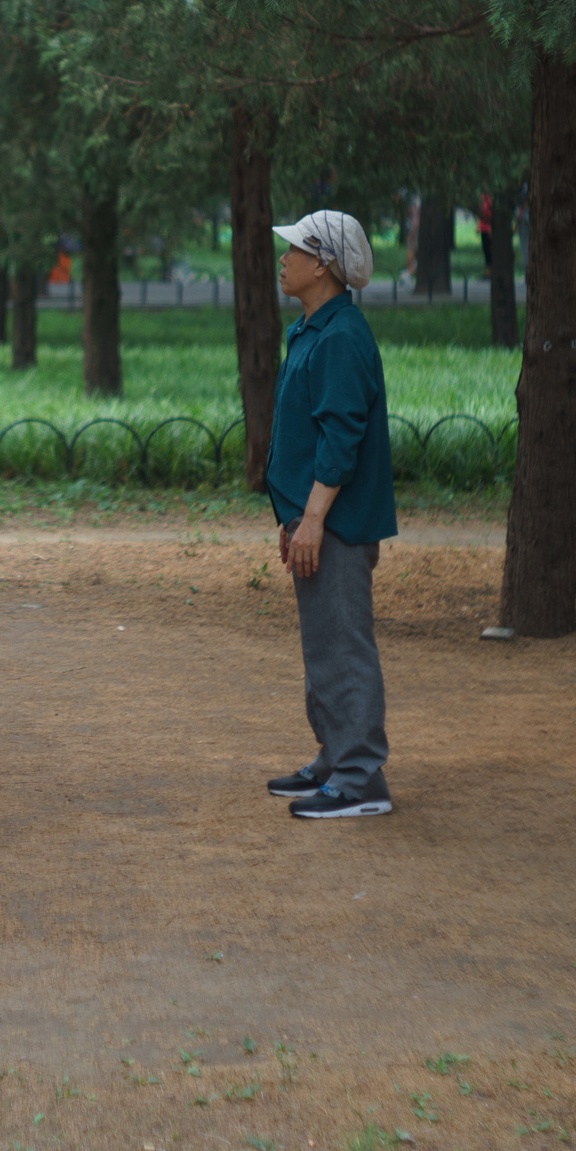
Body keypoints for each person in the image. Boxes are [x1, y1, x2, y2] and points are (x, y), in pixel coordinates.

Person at [261, 210, 400, 820]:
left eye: (293, 249)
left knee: (342, 644)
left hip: (337, 522)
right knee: (323, 642)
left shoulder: (341, 336)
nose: (283, 258)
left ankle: (360, 776)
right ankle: (334, 757)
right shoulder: (314, 328)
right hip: (317, 517)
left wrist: (314, 519)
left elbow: (341, 439)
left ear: (322, 264)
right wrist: (294, 517)